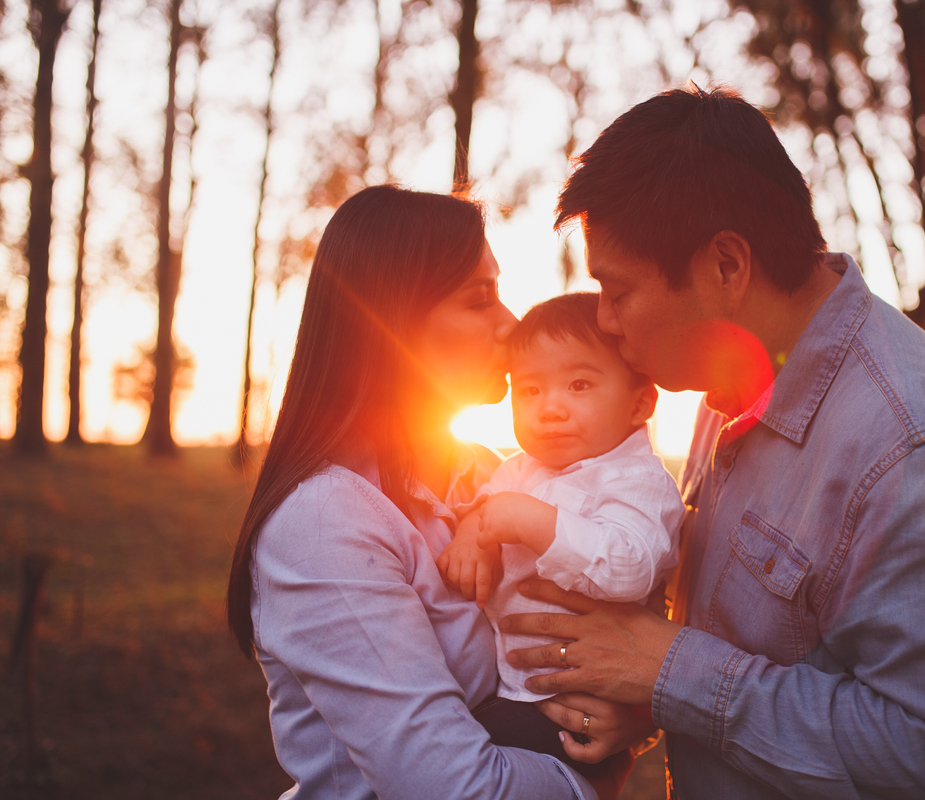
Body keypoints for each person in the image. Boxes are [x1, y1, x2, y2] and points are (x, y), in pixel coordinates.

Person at [499, 86, 925, 800]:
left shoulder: (916, 449)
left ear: (726, 266)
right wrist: (646, 698)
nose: (604, 320)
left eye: (618, 291)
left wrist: (671, 673)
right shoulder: (729, 389)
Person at [225, 185, 648, 799]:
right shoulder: (325, 520)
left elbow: (611, 634)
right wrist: (593, 784)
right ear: (390, 322)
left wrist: (629, 716)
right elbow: (455, 790)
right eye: (481, 300)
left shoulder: (496, 477)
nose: (512, 324)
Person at [435, 292, 684, 771]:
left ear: (640, 403)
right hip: (512, 689)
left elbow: (629, 567)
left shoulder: (638, 482)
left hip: (580, 705)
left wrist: (534, 522)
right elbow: (486, 507)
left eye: (579, 384)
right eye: (530, 390)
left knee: (464, 765)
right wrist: (470, 537)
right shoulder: (519, 468)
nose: (550, 408)